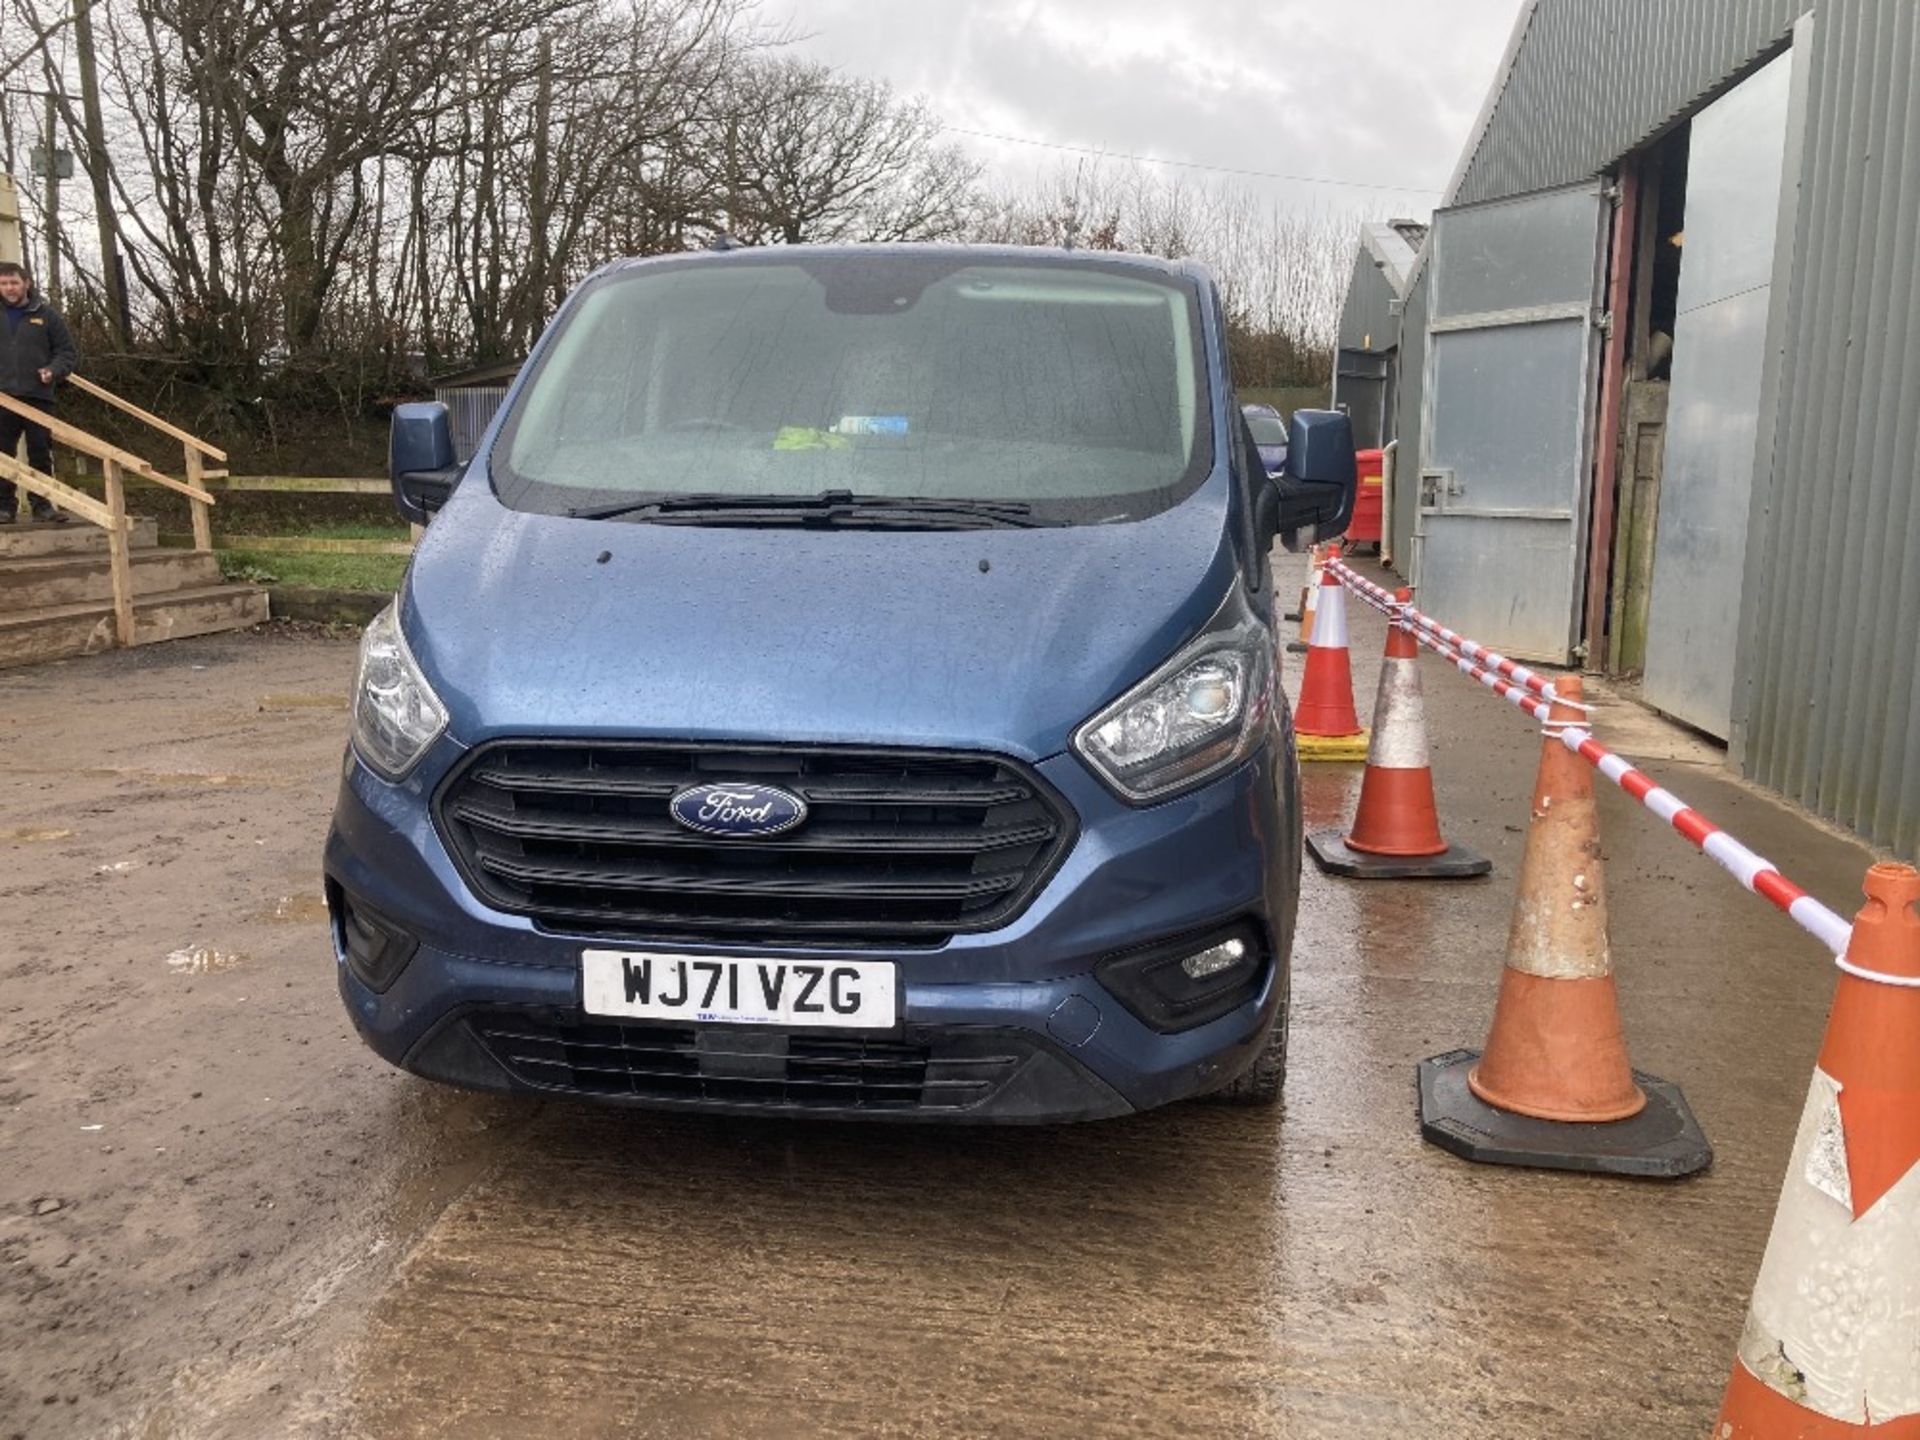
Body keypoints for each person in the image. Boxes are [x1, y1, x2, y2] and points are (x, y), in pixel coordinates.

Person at [0, 260, 77, 524]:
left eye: (14, 283)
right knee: (3, 454)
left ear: (26, 284)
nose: (9, 288)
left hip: (38, 395)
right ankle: (4, 507)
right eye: (4, 283)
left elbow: (66, 352)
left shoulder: (45, 314)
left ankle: (42, 505)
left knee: (40, 452)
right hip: (3, 398)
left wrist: (53, 370)